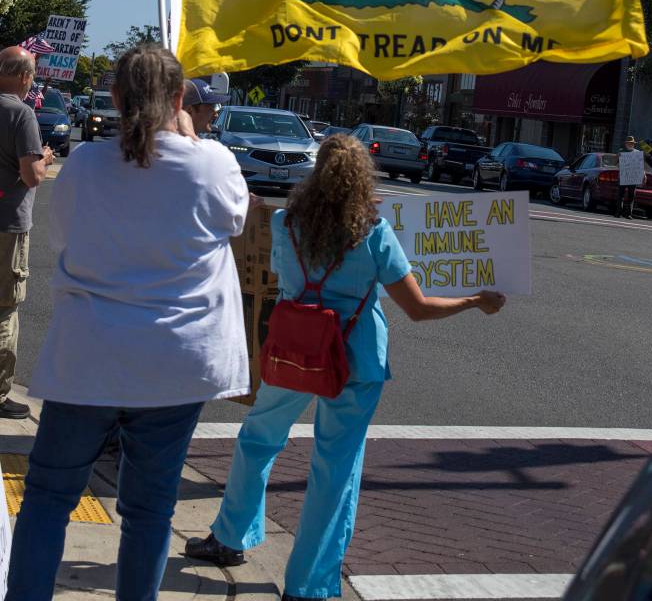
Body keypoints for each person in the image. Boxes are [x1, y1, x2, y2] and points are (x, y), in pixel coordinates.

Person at [186, 134, 506, 600]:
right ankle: (308, 585)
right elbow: (417, 308)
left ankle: (230, 538)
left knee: (258, 437)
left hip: (294, 348)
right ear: (362, 180)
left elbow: (282, 276)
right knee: (334, 470)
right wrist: (475, 301)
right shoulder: (374, 232)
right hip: (355, 359)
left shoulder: (285, 224)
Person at [6, 44, 250, 601]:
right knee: (150, 509)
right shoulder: (212, 161)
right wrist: (191, 138)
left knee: (47, 498)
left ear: (114, 98)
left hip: (89, 357)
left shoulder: (87, 163)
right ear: (179, 98)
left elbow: (64, 240)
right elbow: (235, 218)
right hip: (175, 362)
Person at [0, 46, 53, 420]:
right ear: (23, 77)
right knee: (5, 307)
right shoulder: (20, 114)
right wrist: (46, 159)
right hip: (8, 223)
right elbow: (33, 176)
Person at [618, 134, 643, 219]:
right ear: (626, 144)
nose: (630, 144)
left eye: (632, 143)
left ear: (633, 144)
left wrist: (644, 174)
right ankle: (619, 212)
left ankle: (628, 214)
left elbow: (640, 165)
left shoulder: (637, 153)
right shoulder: (621, 151)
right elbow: (616, 163)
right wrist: (618, 157)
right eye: (629, 143)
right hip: (623, 176)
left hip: (632, 177)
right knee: (620, 195)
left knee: (631, 196)